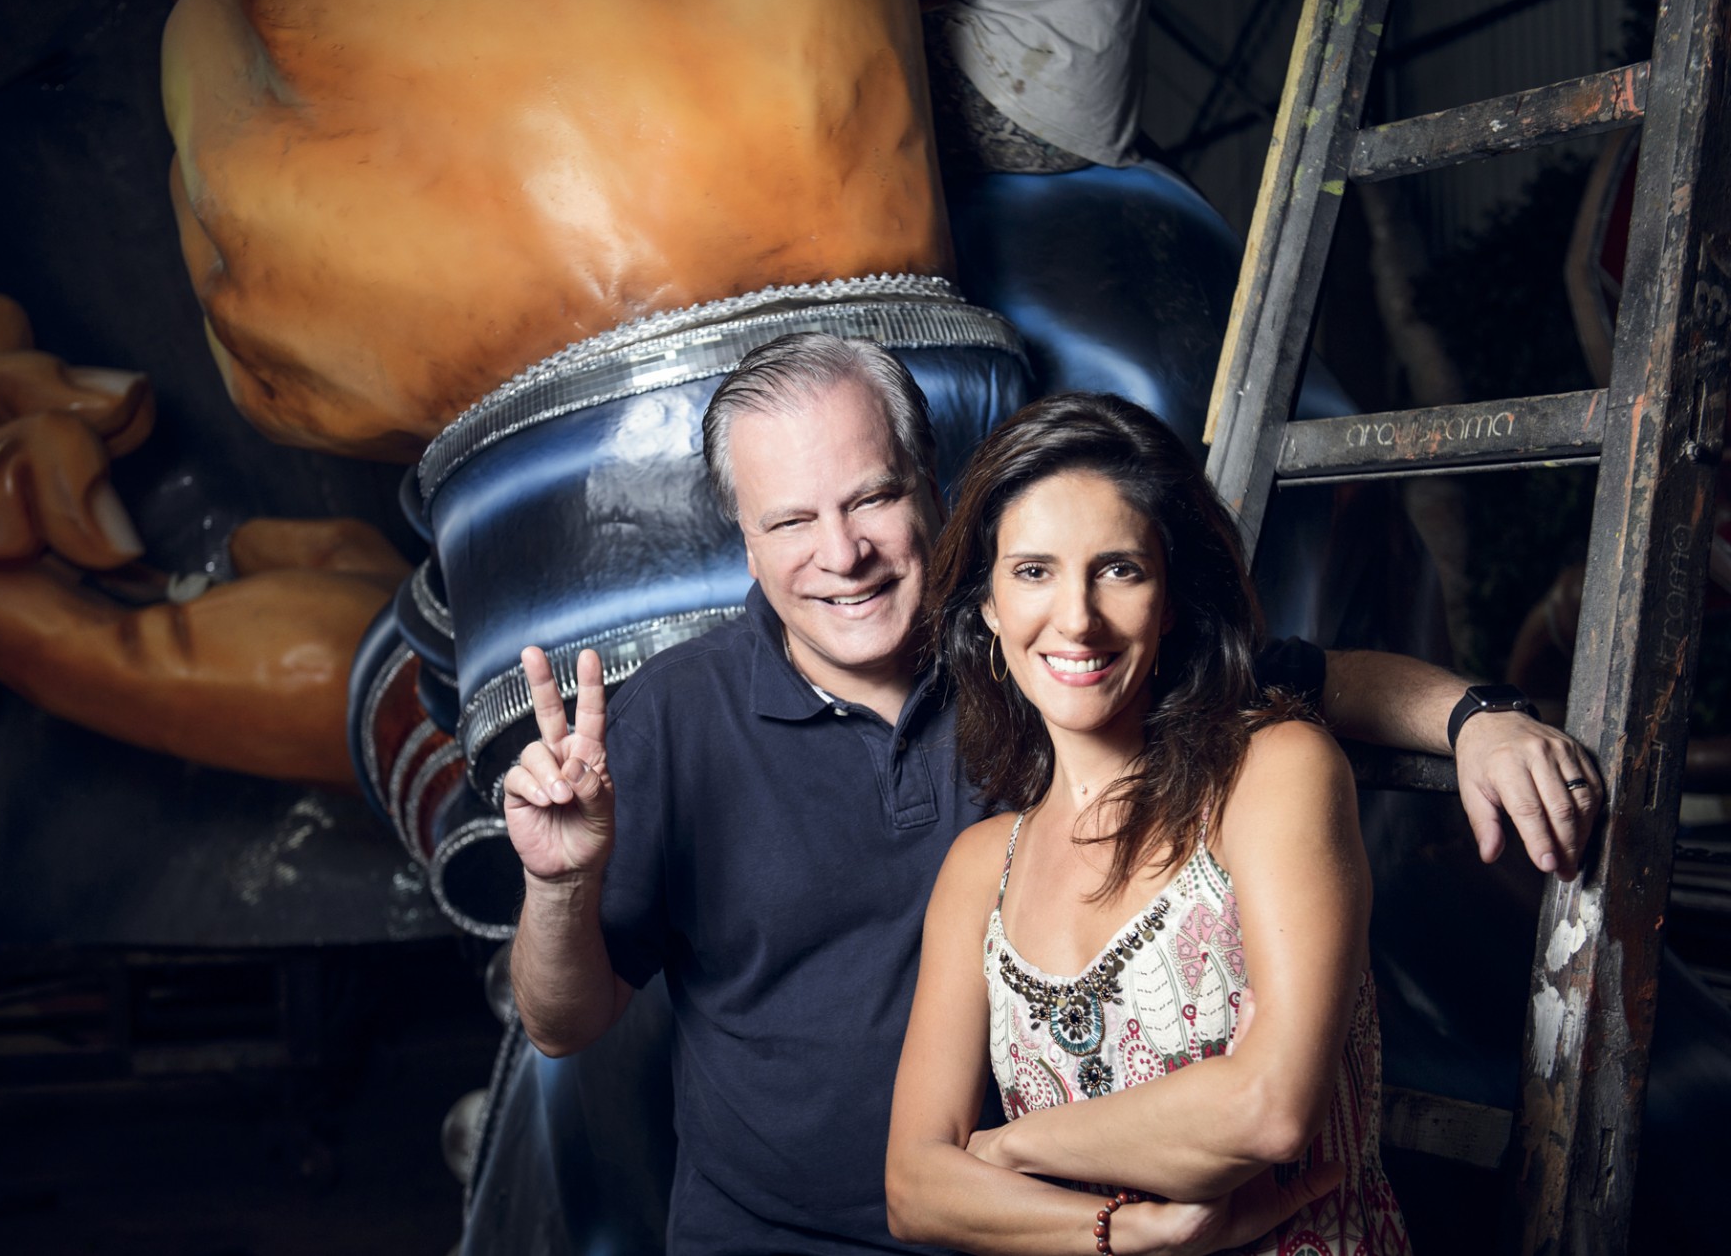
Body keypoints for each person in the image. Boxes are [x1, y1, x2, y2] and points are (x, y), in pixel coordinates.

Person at [503, 333, 1599, 1253]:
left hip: (1046, 1227)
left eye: (874, 496)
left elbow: (1301, 678)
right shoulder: (668, 720)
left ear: (930, 489)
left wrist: (1475, 714)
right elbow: (566, 1021)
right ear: (741, 537)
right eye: (790, 521)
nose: (842, 552)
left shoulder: (1044, 659)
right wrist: (558, 881)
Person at [886, 392, 1411, 1253]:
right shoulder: (981, 867)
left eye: (1119, 568)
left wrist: (1007, 1147)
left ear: (1170, 599)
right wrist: (1131, 1233)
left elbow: (1272, 1108)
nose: (1077, 617)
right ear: (986, 607)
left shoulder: (1272, 772)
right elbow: (912, 1187)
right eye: (1032, 571)